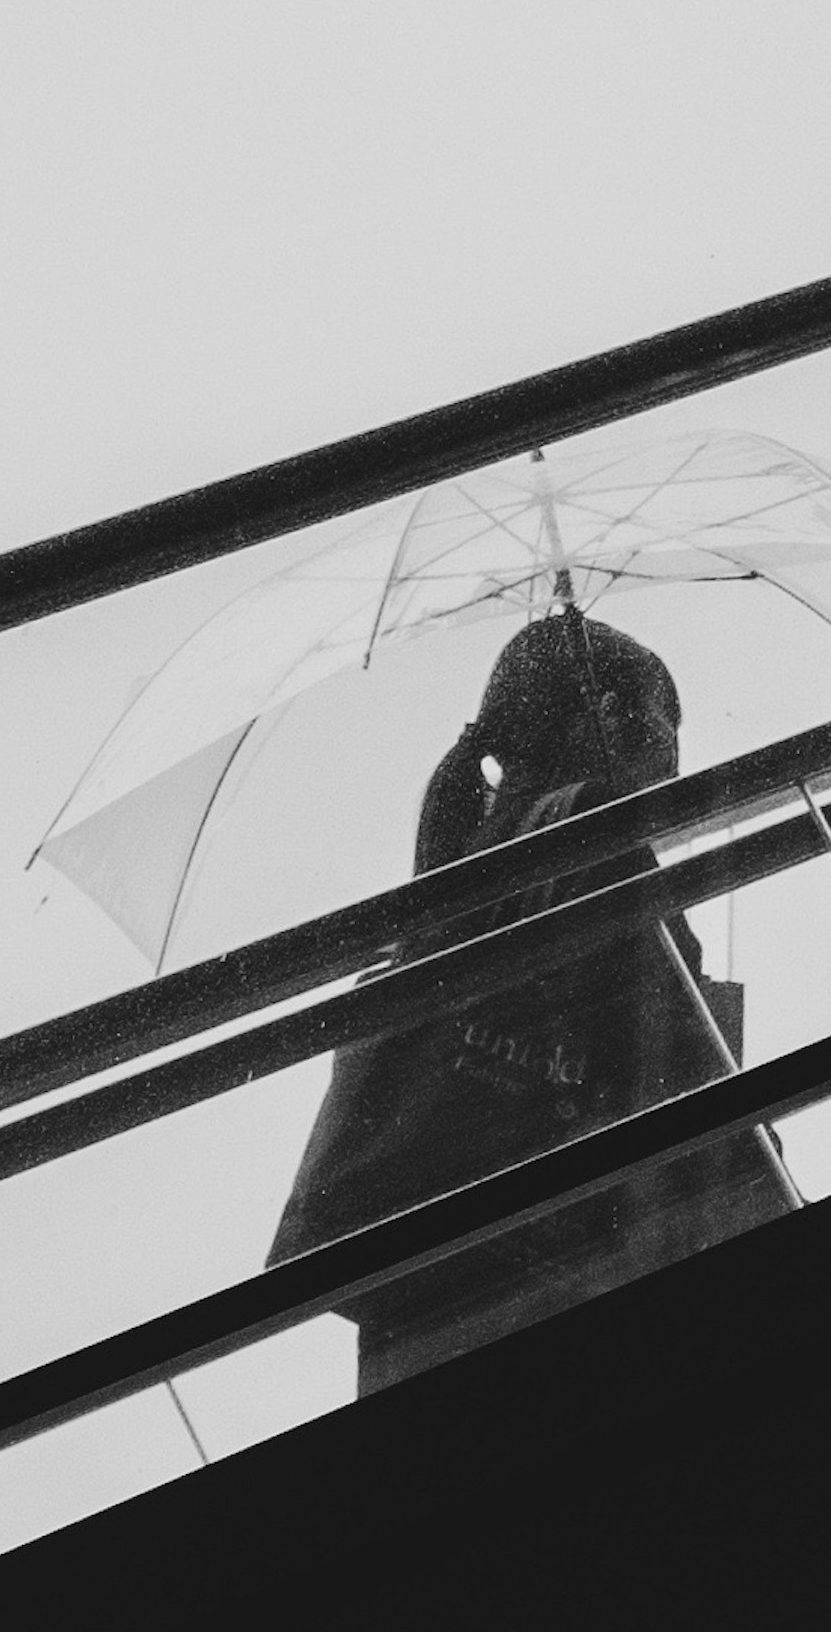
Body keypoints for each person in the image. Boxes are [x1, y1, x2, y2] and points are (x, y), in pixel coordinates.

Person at [269, 594, 795, 1393]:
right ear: (609, 712)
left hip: (423, 1293)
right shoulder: (599, 847)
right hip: (547, 1283)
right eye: (666, 721)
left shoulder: (460, 850)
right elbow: (687, 1065)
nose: (677, 756)